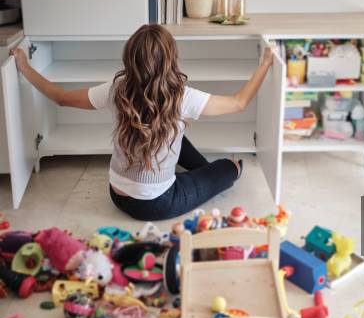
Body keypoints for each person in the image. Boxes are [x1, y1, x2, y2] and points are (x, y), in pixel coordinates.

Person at [10, 24, 274, 220]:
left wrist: (24, 66)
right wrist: (264, 64)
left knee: (175, 133)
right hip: (158, 202)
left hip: (117, 193)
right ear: (171, 60)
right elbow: (239, 103)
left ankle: (199, 176)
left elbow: (61, 98)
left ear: (130, 58)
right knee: (229, 167)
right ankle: (212, 174)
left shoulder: (117, 89)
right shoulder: (182, 96)